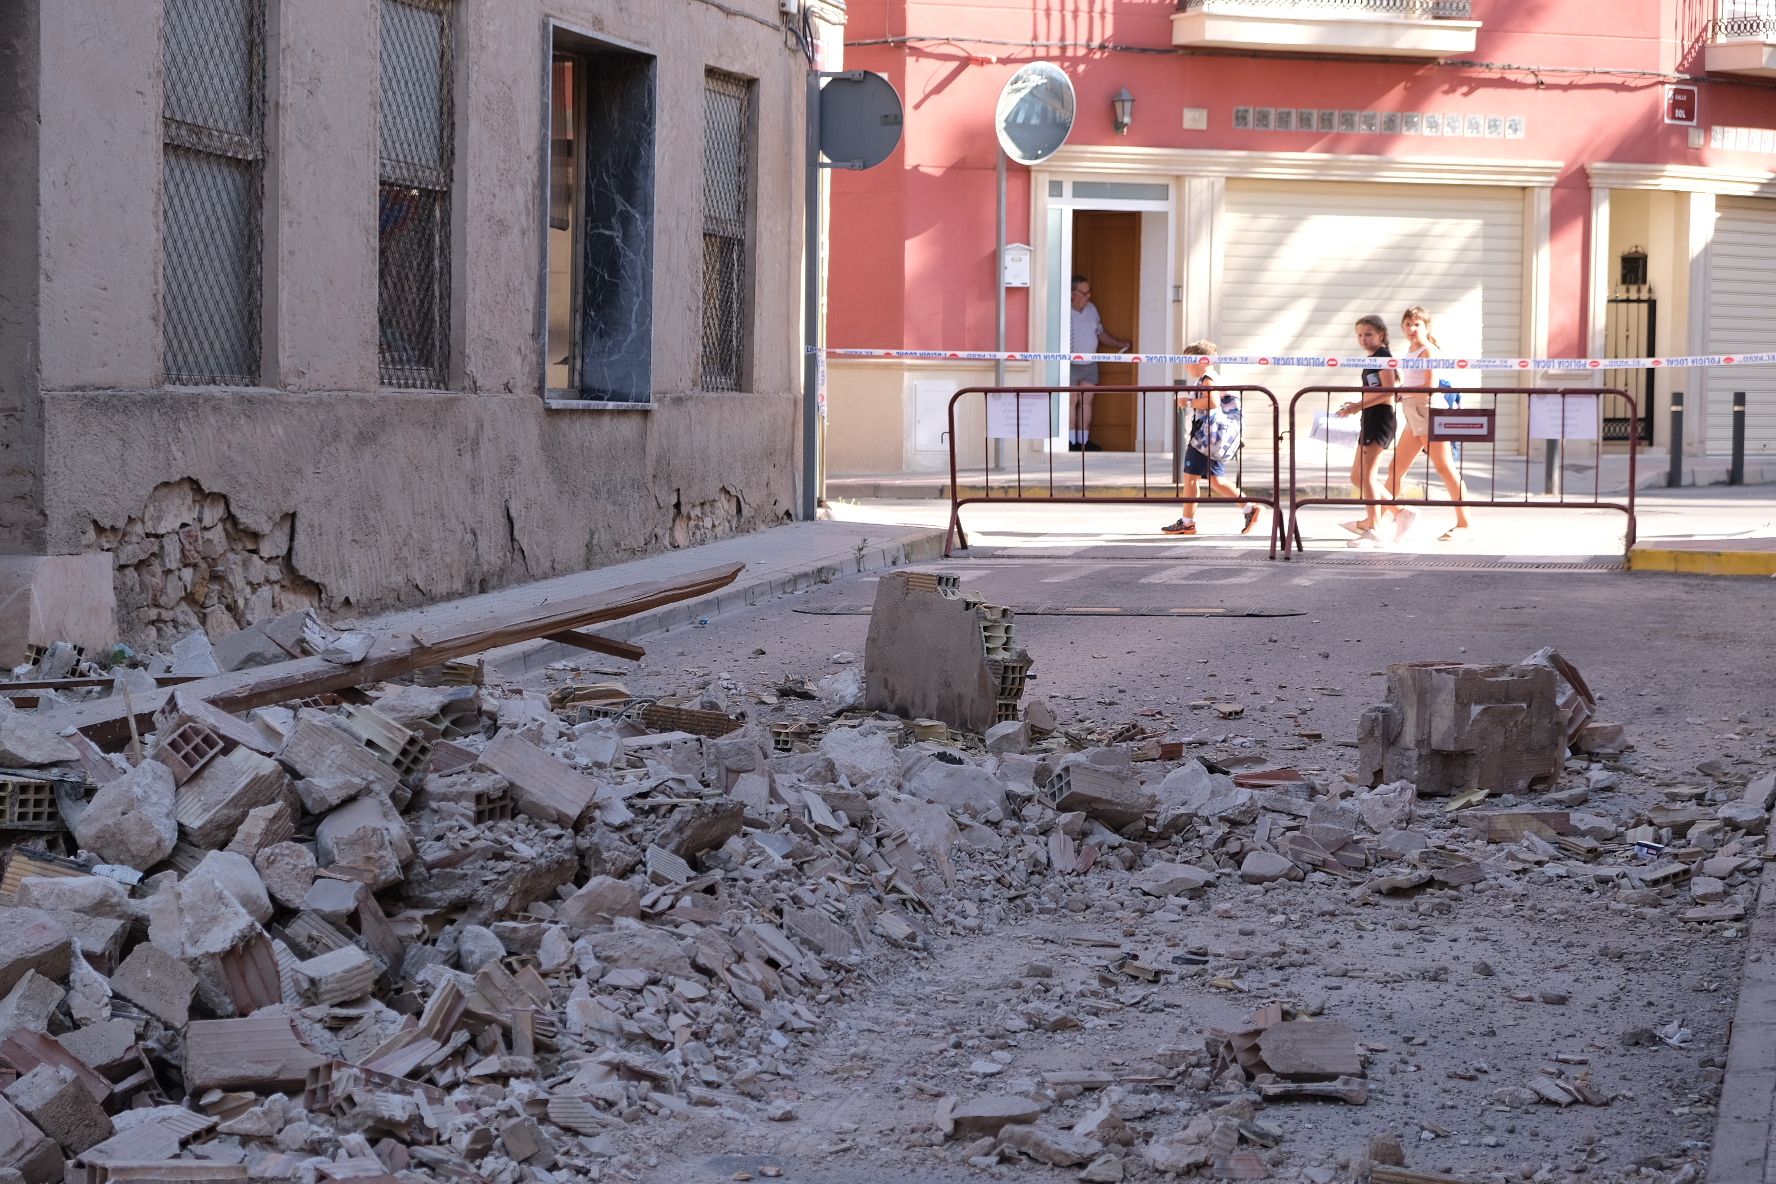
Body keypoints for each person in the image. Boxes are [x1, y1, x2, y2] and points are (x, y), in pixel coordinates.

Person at [1387, 305, 1471, 541]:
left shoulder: (1428, 350)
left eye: (1416, 324)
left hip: (1429, 411)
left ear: (1426, 326)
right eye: (1407, 324)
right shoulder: (1411, 349)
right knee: (1395, 470)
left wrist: (1403, 392)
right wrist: (1401, 393)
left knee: (1445, 468)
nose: (1411, 328)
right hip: (1413, 413)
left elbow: (1430, 385)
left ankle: (1464, 524)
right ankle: (1384, 520)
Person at [1161, 342, 1260, 537]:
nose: (1186, 366)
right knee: (1216, 481)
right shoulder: (1210, 378)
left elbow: (1211, 402)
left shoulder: (1207, 379)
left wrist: (1187, 402)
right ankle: (1250, 508)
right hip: (1212, 439)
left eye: (1188, 361)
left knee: (1190, 478)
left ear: (1201, 361)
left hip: (1204, 438)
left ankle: (1187, 522)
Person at [1332, 315, 1399, 545]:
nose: (1363, 338)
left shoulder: (1383, 357)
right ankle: (1400, 511)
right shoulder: (1371, 358)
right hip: (1369, 416)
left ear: (1381, 335)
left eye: (1368, 334)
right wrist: (1356, 406)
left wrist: (1357, 406)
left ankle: (1375, 528)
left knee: (1368, 476)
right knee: (1357, 476)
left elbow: (1389, 391)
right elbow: (1374, 390)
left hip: (1380, 417)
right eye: (1359, 334)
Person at [1067, 275, 1130, 451]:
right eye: (1084, 293)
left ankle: (1083, 442)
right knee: (1070, 400)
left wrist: (1118, 343)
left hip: (1090, 362)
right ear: (1073, 294)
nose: (1088, 297)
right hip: (1069, 363)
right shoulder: (1063, 310)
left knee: (1087, 400)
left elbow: (1099, 332)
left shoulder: (1091, 309)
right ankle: (1070, 442)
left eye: (1089, 292)